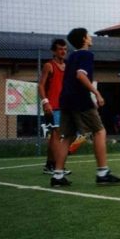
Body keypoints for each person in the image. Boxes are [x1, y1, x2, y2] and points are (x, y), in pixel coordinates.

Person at [51, 28, 120, 187]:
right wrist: (97, 93)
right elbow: (80, 75)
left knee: (68, 136)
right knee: (99, 131)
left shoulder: (71, 57)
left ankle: (57, 176)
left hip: (66, 100)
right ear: (84, 39)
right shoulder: (86, 55)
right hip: (80, 99)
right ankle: (103, 172)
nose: (91, 37)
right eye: (88, 35)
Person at [38, 38, 70, 175]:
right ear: (54, 51)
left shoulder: (68, 67)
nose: (63, 51)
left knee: (55, 137)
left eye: (65, 49)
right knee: (56, 135)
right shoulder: (49, 66)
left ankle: (49, 165)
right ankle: (58, 167)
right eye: (60, 49)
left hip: (65, 107)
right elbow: (40, 85)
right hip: (52, 107)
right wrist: (46, 102)